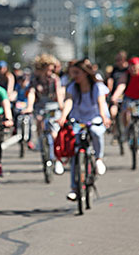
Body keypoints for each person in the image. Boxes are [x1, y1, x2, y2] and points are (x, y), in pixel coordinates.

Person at [57, 59, 111, 201]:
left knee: (95, 132)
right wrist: (63, 116)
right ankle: (74, 188)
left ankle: (98, 158)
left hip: (95, 117)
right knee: (75, 152)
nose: (74, 76)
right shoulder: (73, 87)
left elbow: (101, 102)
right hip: (78, 119)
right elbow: (68, 101)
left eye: (77, 73)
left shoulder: (96, 87)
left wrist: (104, 117)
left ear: (86, 73)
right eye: (73, 73)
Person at [24, 53, 64, 175]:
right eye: (49, 69)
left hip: (53, 106)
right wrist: (29, 106)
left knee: (54, 132)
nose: (50, 71)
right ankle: (42, 144)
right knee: (40, 122)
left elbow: (58, 93)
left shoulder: (54, 79)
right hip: (40, 105)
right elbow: (31, 93)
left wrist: (62, 107)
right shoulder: (34, 80)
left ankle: (57, 159)